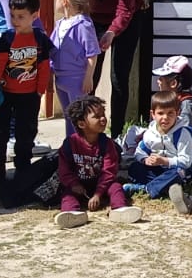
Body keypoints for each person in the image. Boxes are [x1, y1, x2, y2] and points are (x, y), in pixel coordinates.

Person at [64, 0, 144, 140]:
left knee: (119, 78)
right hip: (93, 21)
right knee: (89, 77)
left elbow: (126, 7)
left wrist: (112, 31)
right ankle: (85, 130)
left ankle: (116, 134)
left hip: (125, 20)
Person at [0, 0, 52, 199]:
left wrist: (39, 92)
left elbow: (44, 67)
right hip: (6, 95)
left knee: (25, 137)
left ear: (35, 16)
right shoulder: (6, 38)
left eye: (21, 17)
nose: (15, 21)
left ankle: (23, 176)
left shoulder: (40, 39)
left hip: (29, 96)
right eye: (13, 16)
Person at [54, 96, 140, 228]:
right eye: (97, 116)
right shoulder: (69, 144)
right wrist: (74, 184)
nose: (103, 119)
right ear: (82, 124)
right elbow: (64, 170)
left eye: (103, 114)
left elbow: (109, 171)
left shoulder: (107, 144)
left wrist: (98, 194)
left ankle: (120, 210)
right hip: (78, 186)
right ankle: (71, 214)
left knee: (116, 187)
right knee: (67, 195)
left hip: (102, 186)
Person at [128, 89, 192, 205]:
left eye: (170, 113)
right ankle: (163, 186)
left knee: (176, 175)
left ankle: (146, 189)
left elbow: (186, 161)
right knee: (135, 168)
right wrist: (145, 160)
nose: (165, 117)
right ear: (153, 114)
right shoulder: (150, 134)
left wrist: (164, 161)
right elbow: (139, 151)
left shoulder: (182, 133)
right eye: (160, 113)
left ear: (178, 113)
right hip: (158, 170)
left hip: (177, 171)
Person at [51, 0, 99, 119]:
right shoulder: (60, 24)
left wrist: (88, 77)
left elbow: (92, 53)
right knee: (69, 117)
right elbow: (52, 49)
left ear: (64, 1)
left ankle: (81, 140)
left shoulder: (83, 25)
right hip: (60, 78)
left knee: (78, 117)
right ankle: (71, 140)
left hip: (77, 79)